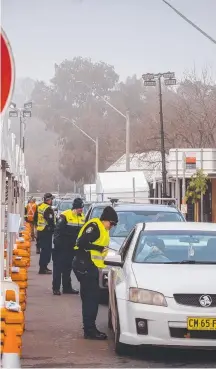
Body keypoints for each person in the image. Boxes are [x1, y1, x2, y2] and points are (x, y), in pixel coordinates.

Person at [73, 206, 118, 340]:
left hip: (89, 266)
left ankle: (89, 328)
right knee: (91, 299)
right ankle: (90, 330)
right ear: (106, 220)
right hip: (85, 265)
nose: (112, 226)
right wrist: (98, 248)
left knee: (90, 299)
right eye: (112, 223)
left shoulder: (102, 229)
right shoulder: (95, 226)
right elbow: (82, 243)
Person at [52, 198, 85, 295]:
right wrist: (57, 245)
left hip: (72, 248)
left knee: (68, 268)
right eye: (79, 208)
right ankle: (56, 288)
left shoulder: (82, 217)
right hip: (62, 247)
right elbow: (57, 230)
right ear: (75, 207)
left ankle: (67, 288)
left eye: (82, 208)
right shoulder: (65, 215)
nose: (81, 210)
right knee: (58, 268)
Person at [36, 193, 55, 274]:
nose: (52, 201)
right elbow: (50, 221)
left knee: (43, 250)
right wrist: (54, 229)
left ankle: (43, 267)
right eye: (51, 199)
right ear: (48, 200)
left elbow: (35, 218)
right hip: (46, 231)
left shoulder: (40, 206)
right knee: (47, 250)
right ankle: (43, 268)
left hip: (40, 230)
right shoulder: (48, 209)